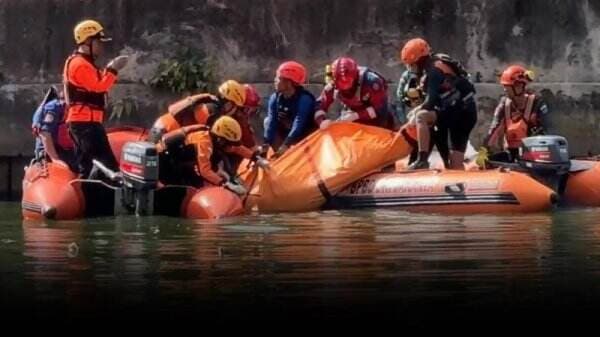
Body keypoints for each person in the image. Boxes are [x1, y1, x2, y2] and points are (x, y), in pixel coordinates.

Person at [63, 19, 129, 177]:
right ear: (87, 41)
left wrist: (108, 69)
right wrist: (112, 70)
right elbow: (99, 87)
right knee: (106, 165)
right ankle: (101, 196)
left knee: (87, 165)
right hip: (85, 123)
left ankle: (87, 195)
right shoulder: (79, 64)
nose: (101, 46)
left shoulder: (86, 63)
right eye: (98, 42)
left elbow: (96, 83)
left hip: (86, 122)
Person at [400, 38, 477, 170]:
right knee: (455, 163)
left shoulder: (434, 71)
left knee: (421, 117)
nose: (412, 69)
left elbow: (430, 102)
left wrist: (416, 111)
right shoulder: (436, 65)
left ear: (420, 60)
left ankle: (422, 159)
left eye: (413, 64)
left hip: (457, 113)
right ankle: (456, 179)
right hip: (465, 112)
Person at [156, 116, 269, 194]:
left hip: (179, 159)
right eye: (229, 144)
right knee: (195, 182)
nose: (231, 147)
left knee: (210, 168)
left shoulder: (215, 138)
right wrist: (225, 184)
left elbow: (237, 148)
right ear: (220, 140)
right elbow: (204, 171)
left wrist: (256, 158)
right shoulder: (204, 142)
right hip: (164, 161)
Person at [482, 65, 550, 162]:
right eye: (504, 87)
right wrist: (484, 150)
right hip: (511, 153)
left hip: (533, 155)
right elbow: (494, 129)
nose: (505, 90)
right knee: (488, 161)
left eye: (507, 87)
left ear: (519, 86)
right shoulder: (504, 105)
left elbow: (547, 130)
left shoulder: (537, 104)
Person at [148, 80, 247, 143]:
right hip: (164, 134)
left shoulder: (212, 104)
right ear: (228, 101)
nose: (234, 110)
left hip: (165, 131)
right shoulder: (211, 109)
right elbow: (205, 135)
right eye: (235, 106)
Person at [314, 57, 393, 130]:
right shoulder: (334, 83)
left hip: (376, 120)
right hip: (350, 114)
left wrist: (356, 116)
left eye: (348, 87)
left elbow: (380, 109)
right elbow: (320, 105)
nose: (346, 91)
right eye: (341, 88)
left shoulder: (371, 82)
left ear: (355, 78)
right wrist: (321, 121)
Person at [262, 61, 316, 158]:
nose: (275, 80)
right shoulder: (275, 98)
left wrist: (286, 145)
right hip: (286, 134)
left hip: (303, 137)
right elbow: (271, 122)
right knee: (267, 121)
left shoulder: (304, 99)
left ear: (288, 82)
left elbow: (299, 124)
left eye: (278, 78)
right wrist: (265, 146)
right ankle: (281, 157)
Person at [396, 69, 450, 168]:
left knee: (443, 146)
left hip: (438, 115)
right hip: (426, 118)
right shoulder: (407, 80)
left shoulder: (432, 77)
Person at [31, 86, 76, 170]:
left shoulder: (75, 109)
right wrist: (55, 159)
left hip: (66, 148)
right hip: (50, 150)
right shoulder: (54, 108)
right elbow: (45, 133)